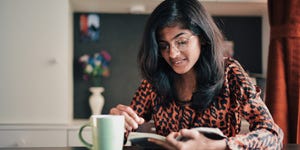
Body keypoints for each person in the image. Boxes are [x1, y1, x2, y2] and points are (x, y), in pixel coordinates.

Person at [110, 0, 284, 149]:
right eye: (164, 46)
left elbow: (273, 135)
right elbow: (122, 135)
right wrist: (116, 125)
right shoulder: (155, 81)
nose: (172, 54)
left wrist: (213, 146)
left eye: (182, 42)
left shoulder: (230, 73)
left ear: (202, 37)